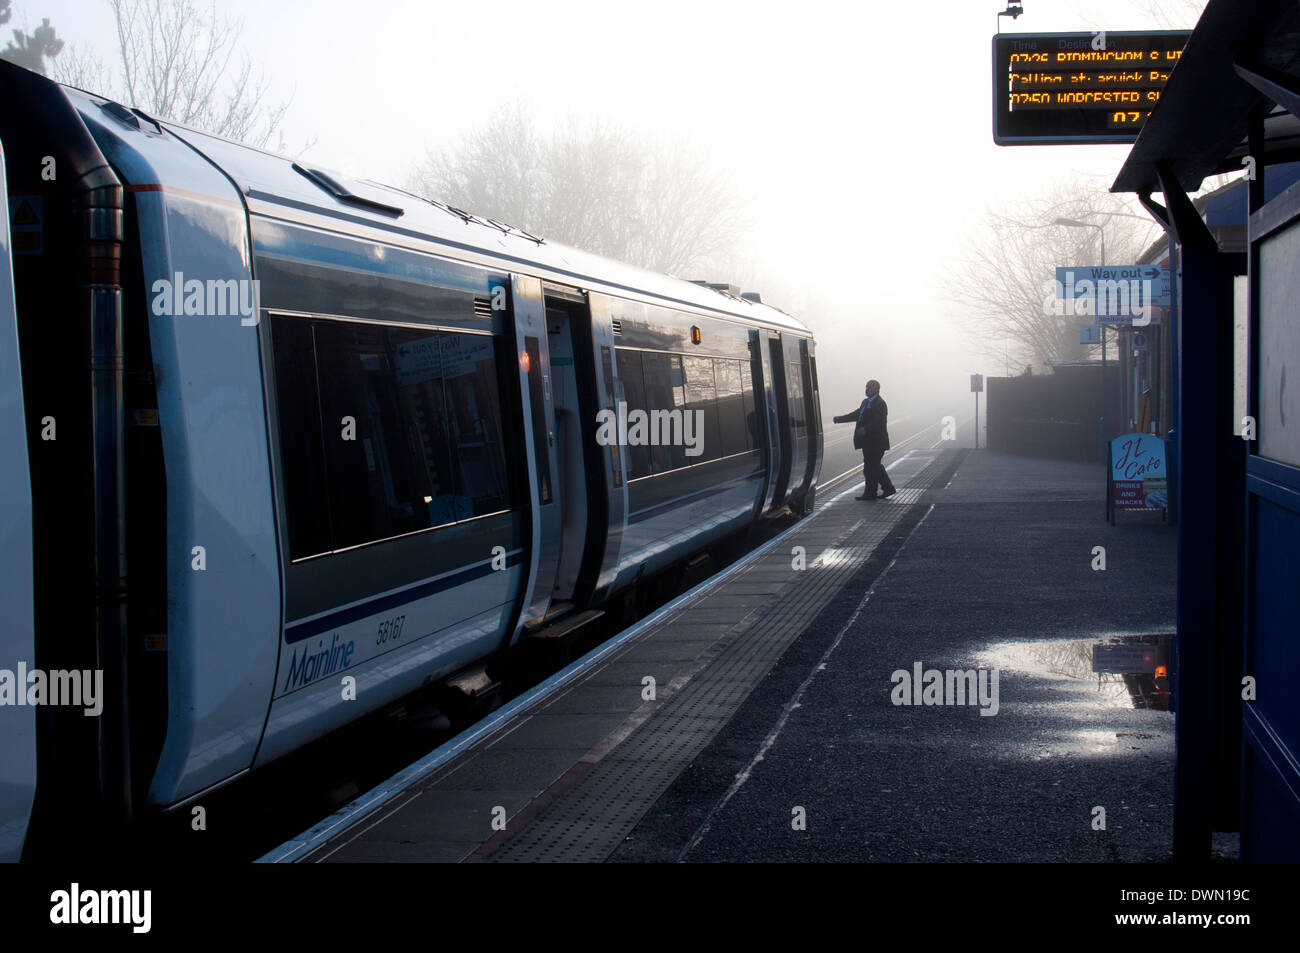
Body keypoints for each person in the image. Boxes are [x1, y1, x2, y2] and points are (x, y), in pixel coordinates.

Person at [833, 379, 895, 501]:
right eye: (866, 387)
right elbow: (856, 415)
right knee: (874, 467)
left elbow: (879, 422)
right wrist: (840, 419)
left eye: (869, 387)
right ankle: (886, 488)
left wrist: (866, 429)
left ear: (877, 389)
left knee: (870, 468)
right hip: (868, 442)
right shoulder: (865, 402)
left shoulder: (880, 403)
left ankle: (871, 493)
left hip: (876, 442)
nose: (866, 389)